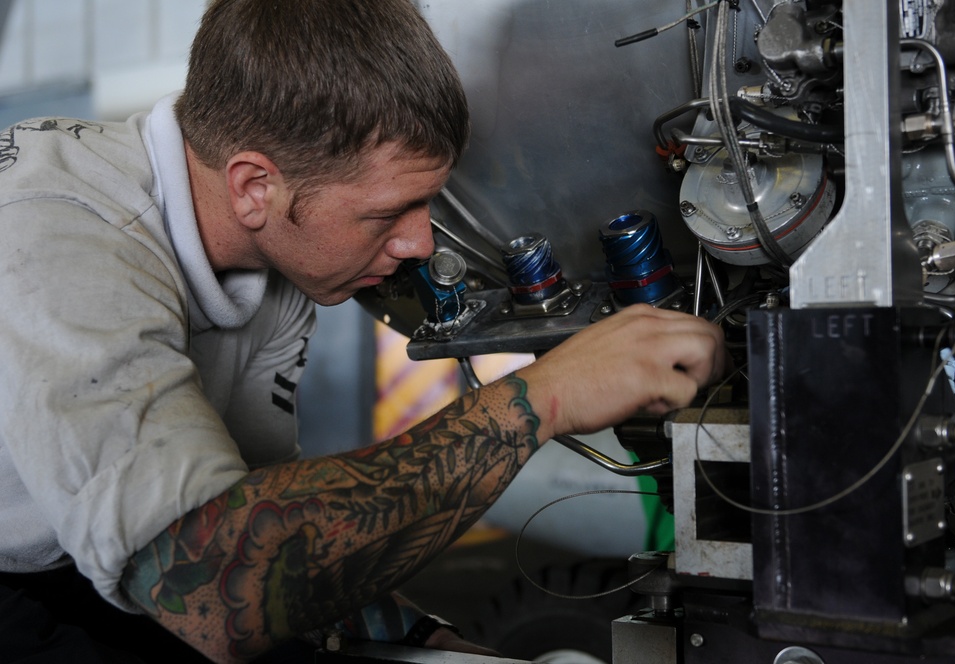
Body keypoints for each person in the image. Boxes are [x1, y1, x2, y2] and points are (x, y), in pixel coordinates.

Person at [0, 0, 730, 662]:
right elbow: (219, 581)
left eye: (426, 205)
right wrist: (542, 399)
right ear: (255, 186)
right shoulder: (57, 240)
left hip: (110, 559)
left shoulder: (274, 249)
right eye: (386, 214)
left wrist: (404, 634)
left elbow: (263, 511)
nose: (418, 243)